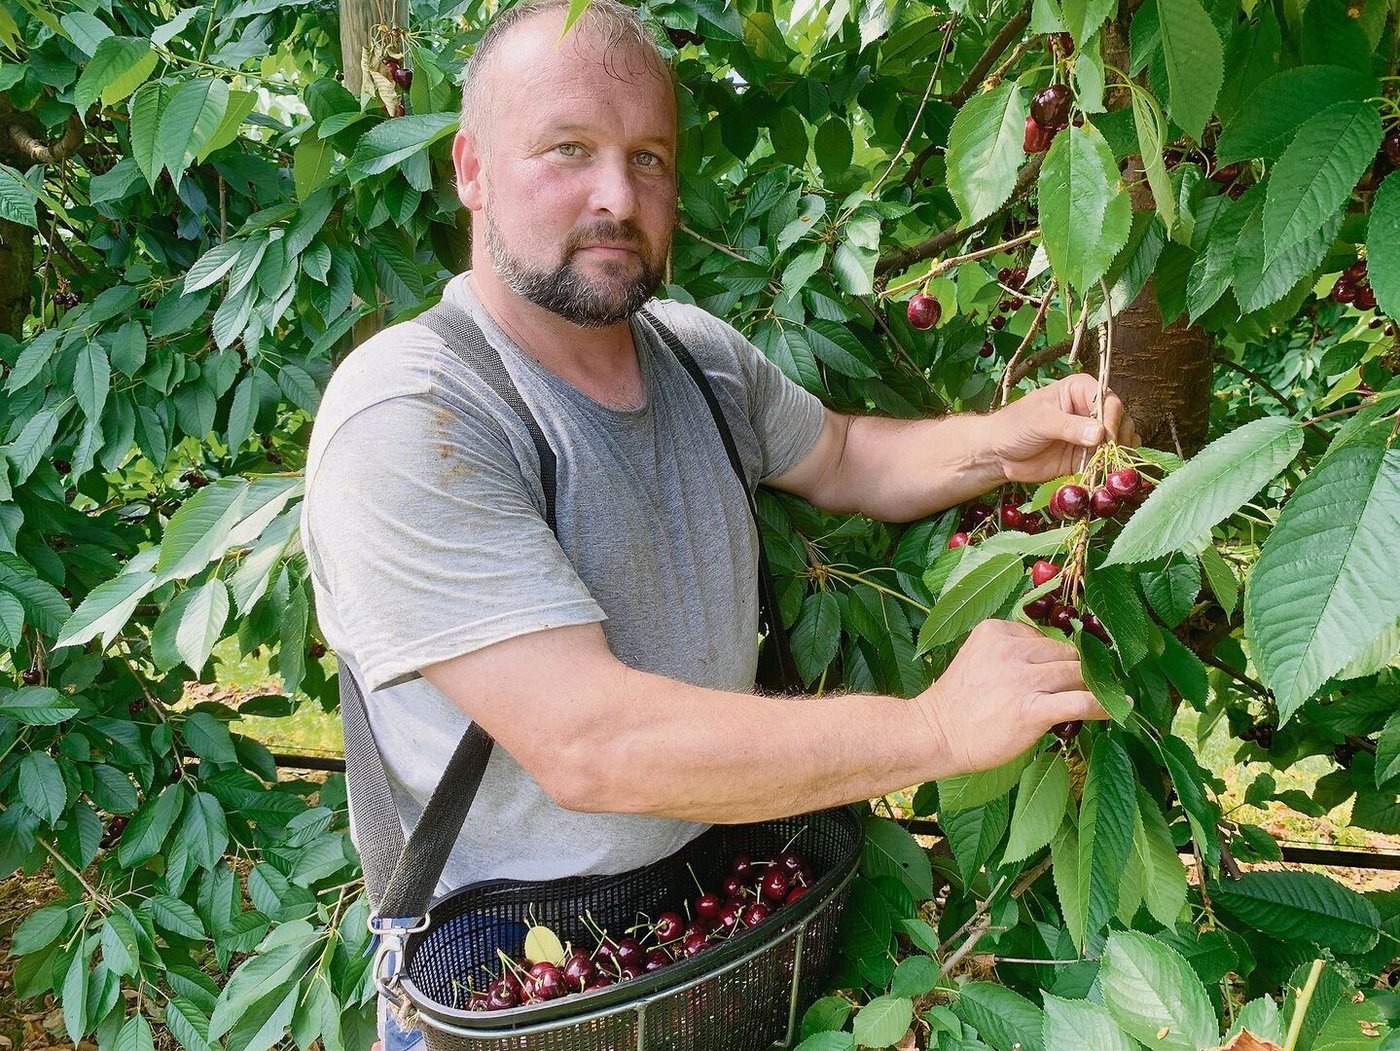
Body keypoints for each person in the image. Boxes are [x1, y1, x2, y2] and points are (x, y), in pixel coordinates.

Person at [300, 1, 1135, 1047]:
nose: (616, 195)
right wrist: (932, 730)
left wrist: (996, 443)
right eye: (568, 150)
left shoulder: (693, 352)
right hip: (516, 986)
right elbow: (591, 744)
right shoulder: (414, 412)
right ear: (470, 168)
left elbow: (837, 455)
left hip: (718, 917)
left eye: (647, 158)